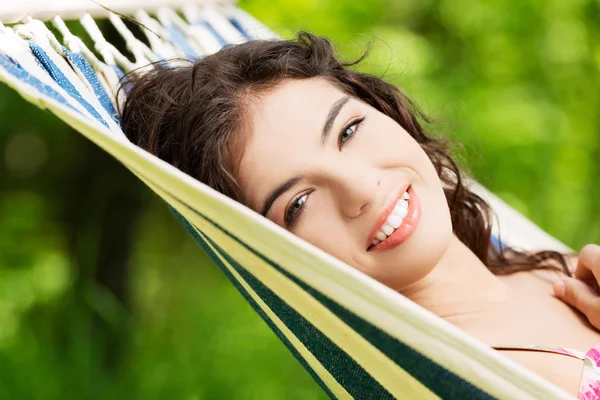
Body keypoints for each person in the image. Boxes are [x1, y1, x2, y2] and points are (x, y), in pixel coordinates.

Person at [118, 32, 600, 397]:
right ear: (270, 255)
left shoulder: (540, 269)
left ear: (387, 111)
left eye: (348, 131)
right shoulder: (453, 382)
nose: (360, 189)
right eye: (299, 204)